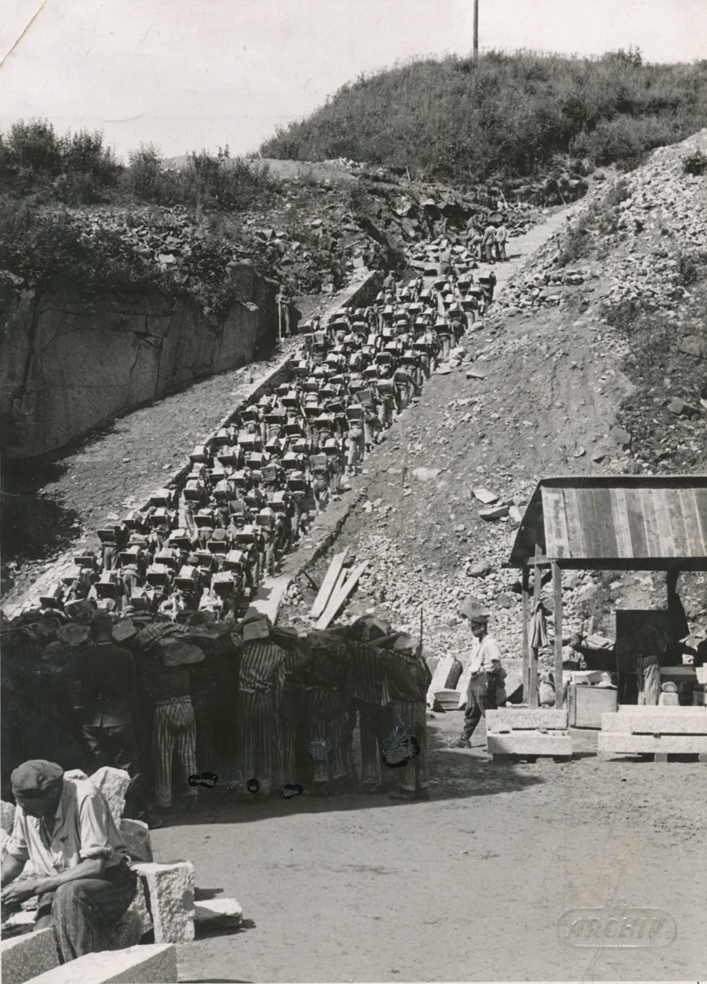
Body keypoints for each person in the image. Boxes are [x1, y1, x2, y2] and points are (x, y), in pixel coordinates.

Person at [1, 760, 137, 963]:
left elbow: (95, 865)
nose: (25, 812)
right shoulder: (26, 806)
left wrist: (35, 886)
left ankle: (84, 974)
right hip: (56, 888)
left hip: (111, 885)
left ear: (52, 793)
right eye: (21, 805)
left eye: (28, 806)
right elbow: (17, 857)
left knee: (70, 895)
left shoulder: (85, 797)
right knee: (43, 942)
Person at [73, 614, 145, 820]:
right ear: (111, 630)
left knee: (98, 770)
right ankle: (138, 814)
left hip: (91, 721)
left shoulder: (82, 656)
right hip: (119, 717)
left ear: (92, 632)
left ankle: (104, 817)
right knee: (129, 768)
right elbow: (133, 688)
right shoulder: (124, 655)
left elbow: (76, 687)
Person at [449, 601, 505, 748]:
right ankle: (464, 739)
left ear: (482, 627)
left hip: (485, 678)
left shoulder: (490, 642)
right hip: (475, 679)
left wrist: (499, 680)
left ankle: (496, 741)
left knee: (488, 711)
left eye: (474, 628)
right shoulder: (479, 643)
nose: (472, 631)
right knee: (472, 710)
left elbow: (496, 663)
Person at [383, 633, 432, 801]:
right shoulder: (421, 662)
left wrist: (391, 637)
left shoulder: (393, 660)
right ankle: (422, 786)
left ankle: (407, 788)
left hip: (403, 706)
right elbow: (429, 679)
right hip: (419, 706)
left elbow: (372, 647)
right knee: (421, 747)